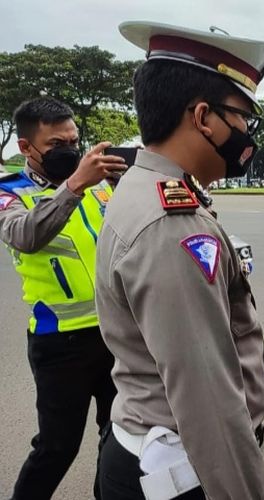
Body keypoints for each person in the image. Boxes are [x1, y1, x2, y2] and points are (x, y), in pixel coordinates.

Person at [95, 22, 264, 500]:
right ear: (203, 117)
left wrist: (244, 350)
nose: (247, 134)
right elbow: (207, 401)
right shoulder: (171, 225)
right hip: (179, 467)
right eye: (242, 118)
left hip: (150, 446)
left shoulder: (145, 185)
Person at [0, 97, 127, 500]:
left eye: (74, 141)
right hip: (60, 343)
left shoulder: (97, 185)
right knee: (57, 448)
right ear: (26, 148)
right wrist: (74, 186)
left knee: (119, 437)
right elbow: (26, 236)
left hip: (115, 335)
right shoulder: (10, 192)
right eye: (56, 145)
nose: (69, 151)